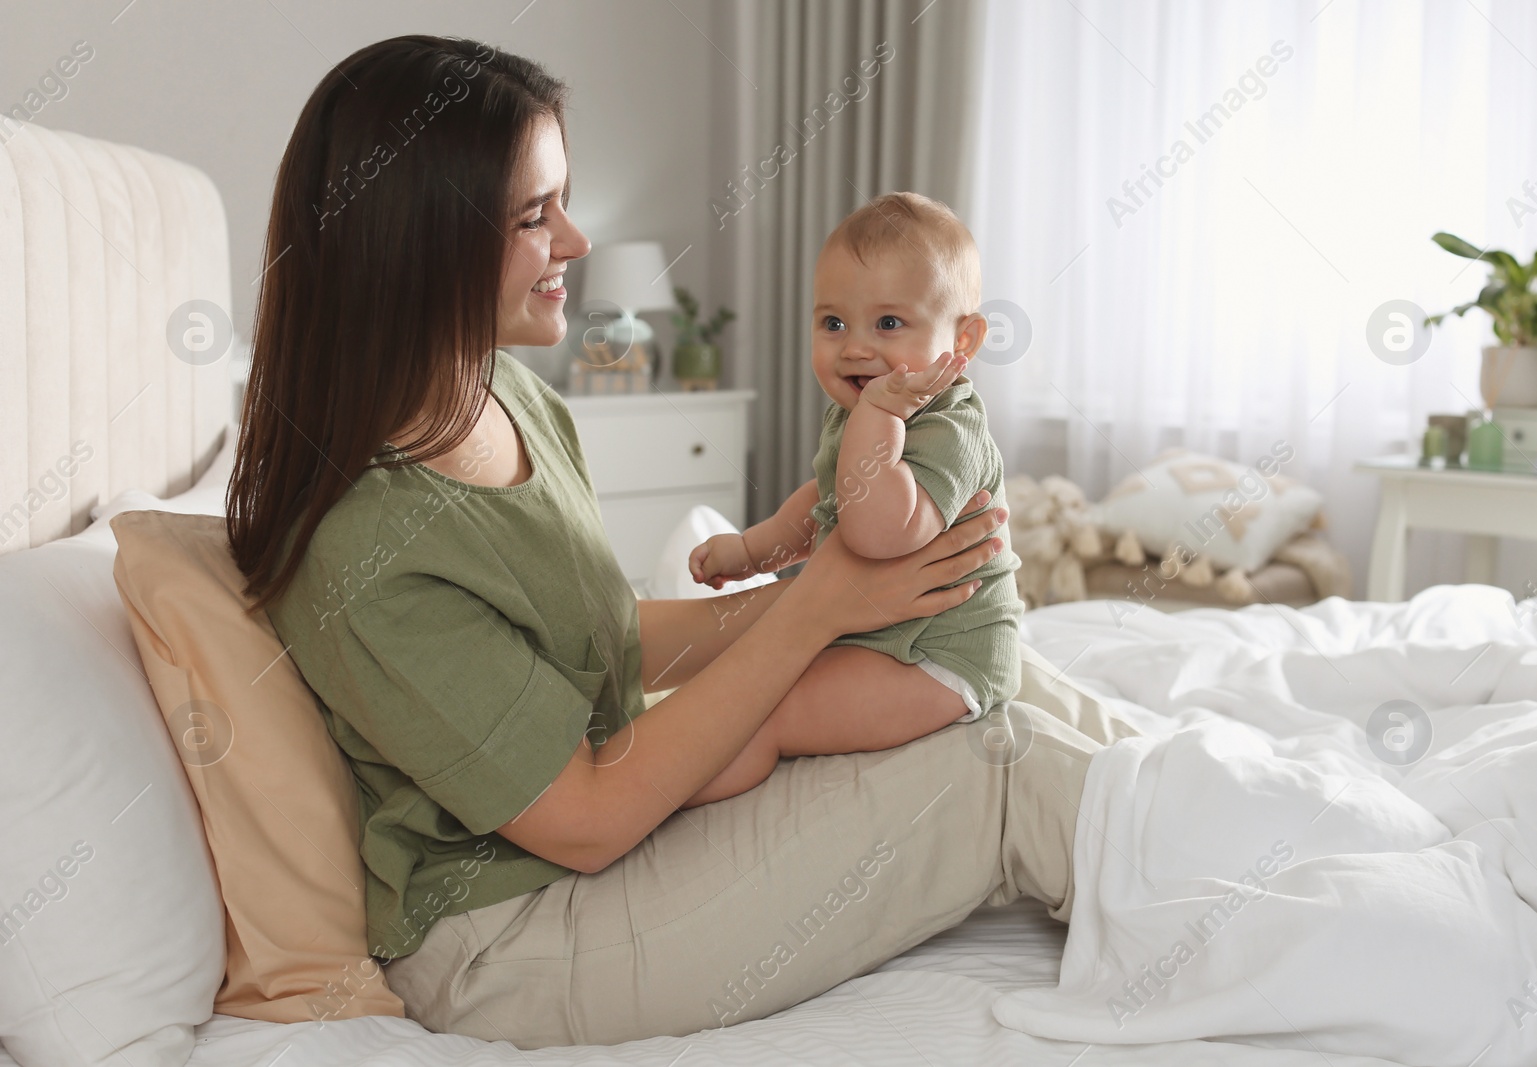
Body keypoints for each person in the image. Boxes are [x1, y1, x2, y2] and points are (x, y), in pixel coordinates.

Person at [228, 34, 1127, 1050]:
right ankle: (1250, 911)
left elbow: (596, 636)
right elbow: (582, 813)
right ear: (421, 240)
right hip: (512, 936)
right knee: (998, 766)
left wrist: (850, 607)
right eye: (535, 214)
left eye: (565, 199)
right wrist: (822, 602)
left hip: (600, 835)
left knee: (991, 671)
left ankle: (1204, 795)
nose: (575, 240)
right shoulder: (368, 544)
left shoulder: (505, 395)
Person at [685, 192, 1024, 806]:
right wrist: (752, 550)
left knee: (766, 713)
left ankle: (666, 803)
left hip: (941, 660)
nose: (855, 348)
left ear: (964, 340)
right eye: (833, 323)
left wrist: (878, 416)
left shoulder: (950, 429)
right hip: (882, 635)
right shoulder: (865, 411)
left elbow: (876, 532)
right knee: (741, 677)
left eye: (889, 323)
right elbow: (825, 501)